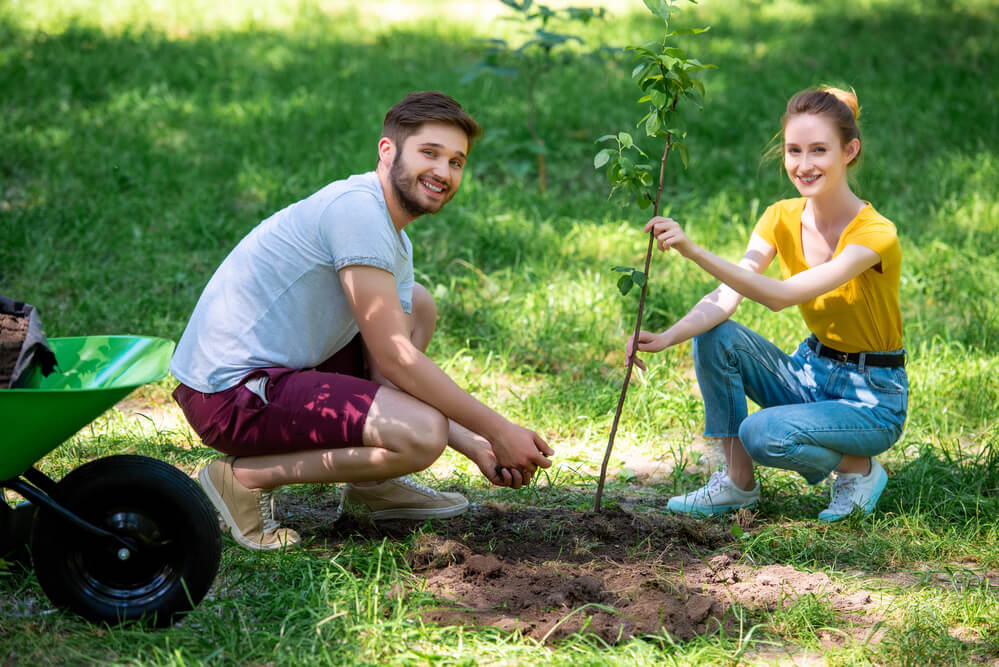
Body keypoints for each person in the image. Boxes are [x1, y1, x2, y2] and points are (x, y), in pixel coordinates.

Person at [171, 91, 554, 551]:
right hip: (229, 394)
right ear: (387, 151)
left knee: (419, 304)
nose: (443, 172)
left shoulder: (393, 237)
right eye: (429, 153)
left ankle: (372, 486)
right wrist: (498, 429)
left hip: (272, 375)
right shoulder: (356, 211)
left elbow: (383, 372)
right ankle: (241, 480)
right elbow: (395, 360)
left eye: (456, 161)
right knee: (421, 434)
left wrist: (477, 446)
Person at [627, 86, 907, 522]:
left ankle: (860, 469)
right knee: (715, 335)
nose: (804, 164)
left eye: (819, 150)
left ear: (849, 151)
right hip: (810, 370)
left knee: (761, 432)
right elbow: (726, 299)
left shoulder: (875, 233)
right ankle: (738, 484)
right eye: (794, 150)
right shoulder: (780, 217)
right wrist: (665, 337)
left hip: (871, 396)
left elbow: (780, 297)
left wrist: (694, 250)